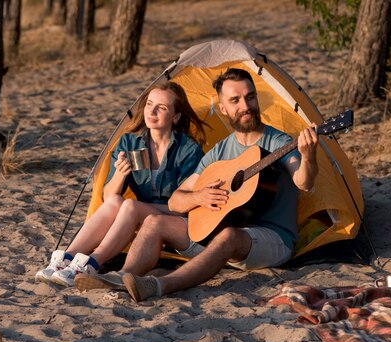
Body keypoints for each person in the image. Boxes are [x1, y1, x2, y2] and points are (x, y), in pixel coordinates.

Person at [76, 68, 319, 301]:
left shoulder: (278, 142)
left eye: (250, 97)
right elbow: (176, 199)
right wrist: (199, 197)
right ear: (223, 108)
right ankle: (123, 277)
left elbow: (304, 182)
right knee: (154, 221)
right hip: (221, 234)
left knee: (228, 236)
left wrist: (308, 156)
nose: (245, 106)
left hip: (271, 239)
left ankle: (159, 285)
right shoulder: (221, 150)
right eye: (235, 100)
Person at [36, 81, 208, 287]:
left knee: (130, 206)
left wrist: (140, 208)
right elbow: (107, 198)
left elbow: (185, 204)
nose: (151, 111)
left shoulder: (188, 149)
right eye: (149, 104)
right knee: (117, 202)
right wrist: (119, 173)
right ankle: (66, 258)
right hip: (142, 211)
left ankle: (92, 263)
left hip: (176, 216)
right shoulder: (130, 142)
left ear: (176, 116)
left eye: (161, 108)